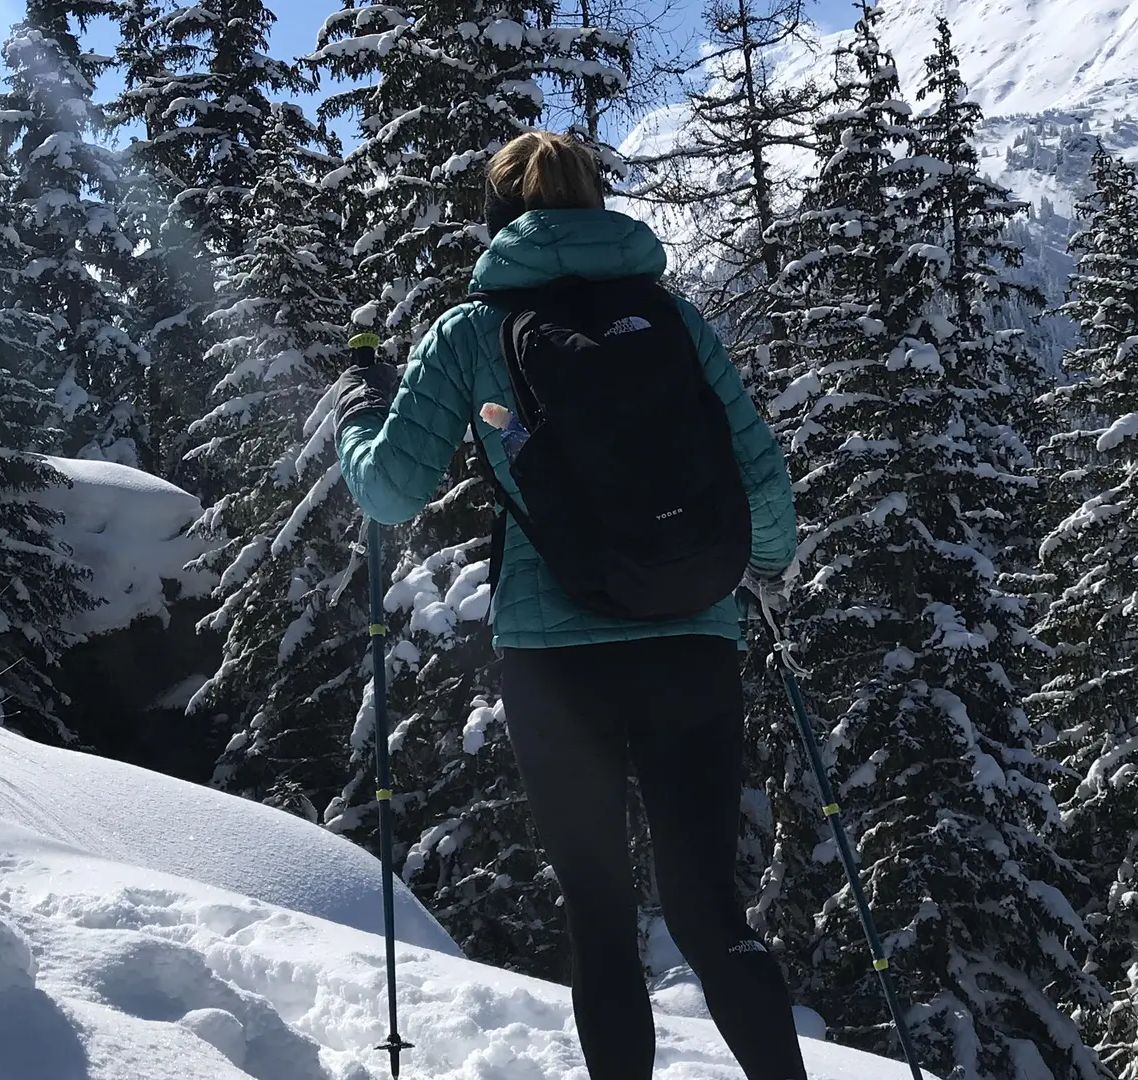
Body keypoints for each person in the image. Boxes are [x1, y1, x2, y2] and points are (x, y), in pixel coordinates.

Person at [331, 130, 807, 1080]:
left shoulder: (470, 333)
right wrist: (727, 570)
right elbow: (767, 490)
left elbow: (389, 490)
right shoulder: (671, 319)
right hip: (693, 648)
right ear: (597, 208)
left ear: (497, 218)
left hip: (558, 665)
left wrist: (356, 412)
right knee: (712, 910)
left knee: (599, 914)